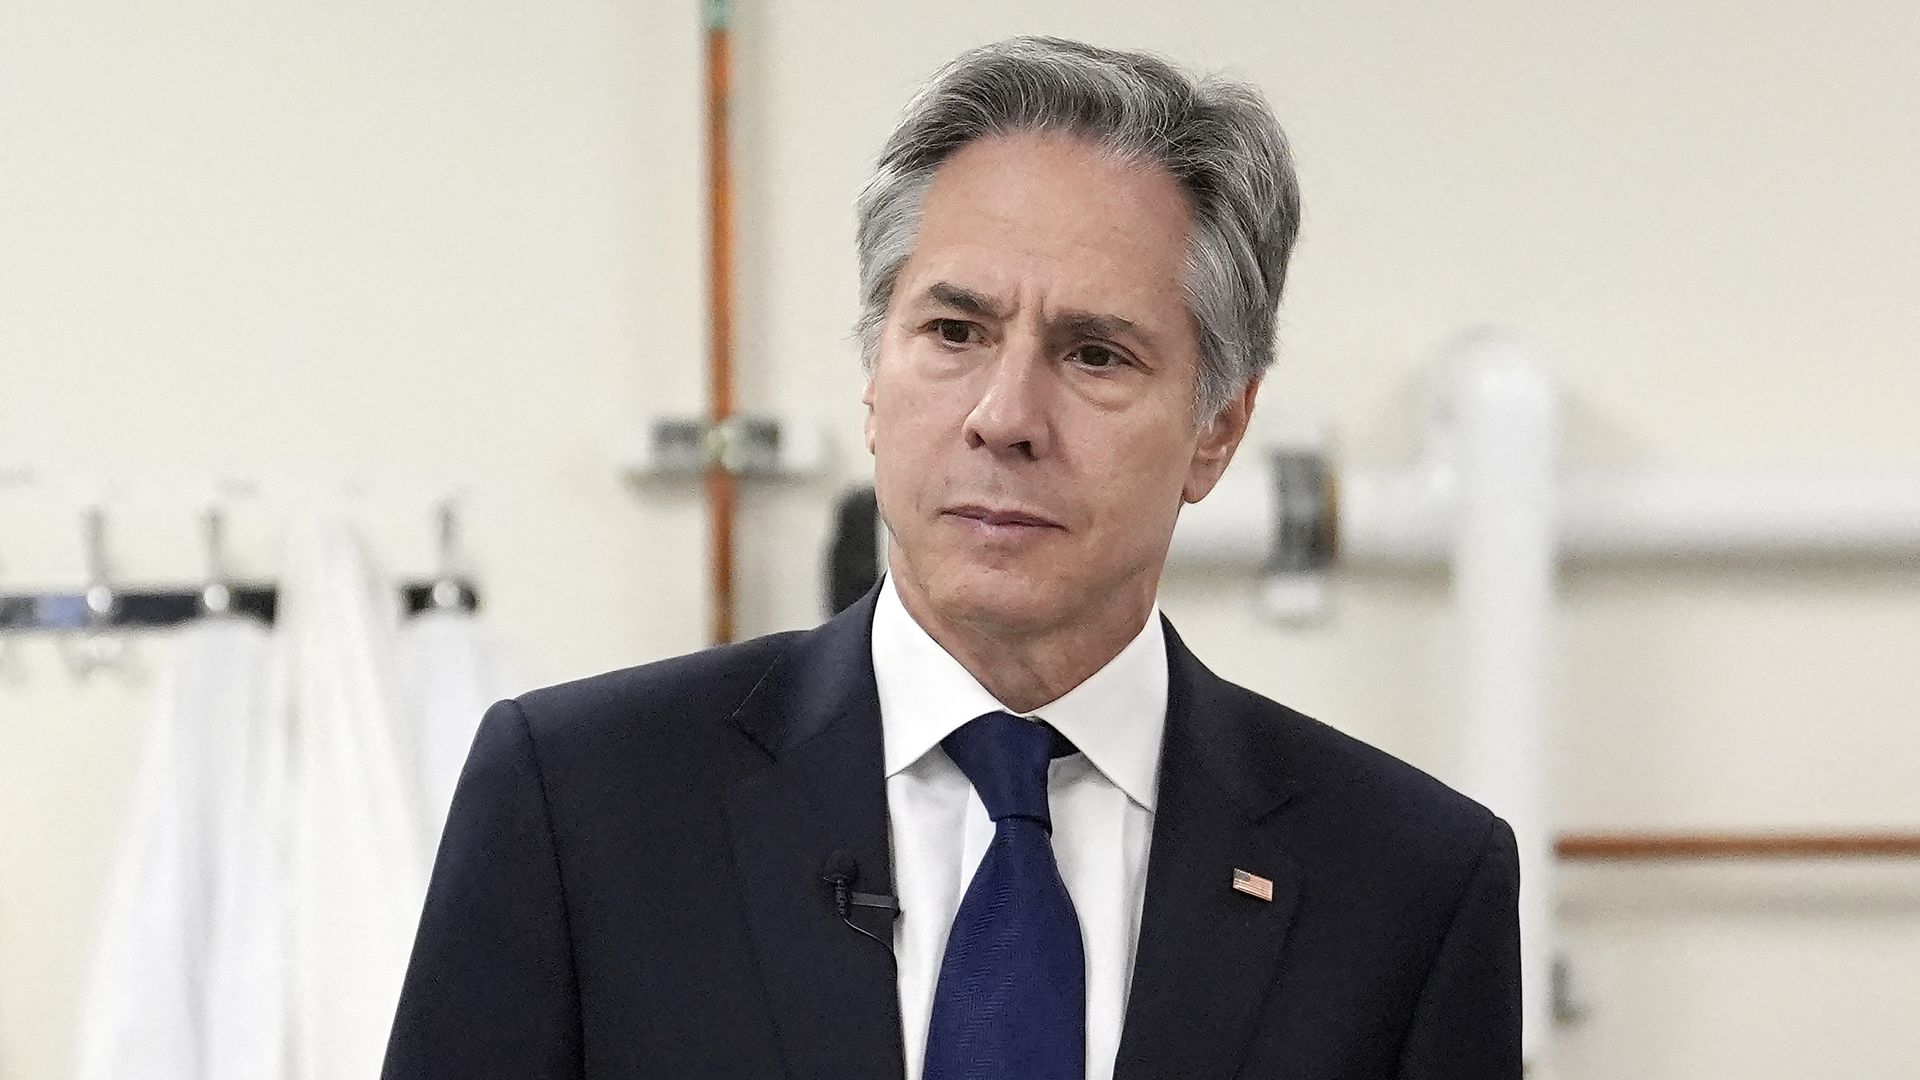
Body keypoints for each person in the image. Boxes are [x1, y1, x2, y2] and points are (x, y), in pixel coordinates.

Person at [382, 35, 1520, 1080]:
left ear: (1218, 426)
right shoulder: (582, 803)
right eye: (955, 332)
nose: (1004, 415)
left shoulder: (1408, 883)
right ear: (875, 375)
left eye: (1095, 353)